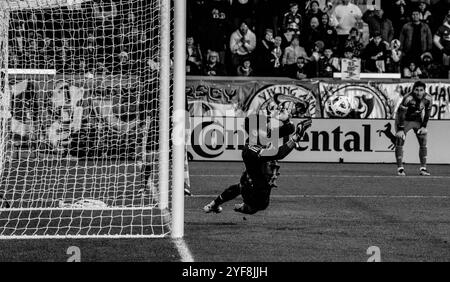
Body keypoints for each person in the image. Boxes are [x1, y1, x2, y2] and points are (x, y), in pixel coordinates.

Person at [203, 107, 312, 215]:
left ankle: (214, 205)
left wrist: (285, 119)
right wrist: (296, 137)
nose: (269, 128)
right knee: (256, 205)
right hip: (255, 189)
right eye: (265, 126)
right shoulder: (250, 150)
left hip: (254, 178)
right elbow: (279, 153)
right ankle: (243, 206)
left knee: (239, 187)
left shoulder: (261, 136)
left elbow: (289, 129)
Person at [394, 80, 432, 176]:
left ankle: (423, 169)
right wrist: (401, 129)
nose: (418, 92)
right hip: (404, 120)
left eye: (421, 90)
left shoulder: (428, 98)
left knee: (423, 139)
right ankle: (400, 168)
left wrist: (424, 126)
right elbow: (401, 114)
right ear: (413, 90)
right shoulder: (408, 98)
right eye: (416, 90)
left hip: (417, 120)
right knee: (400, 139)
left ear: (424, 91)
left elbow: (427, 113)